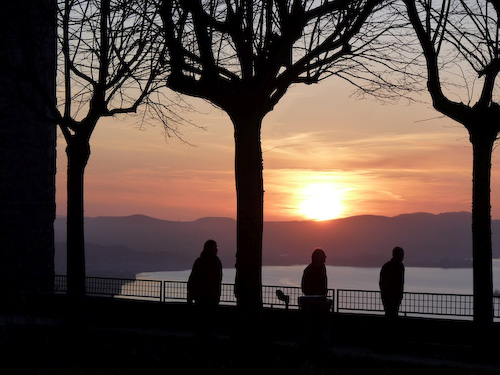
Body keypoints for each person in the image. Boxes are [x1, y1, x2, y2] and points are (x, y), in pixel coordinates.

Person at [187, 239, 222, 339]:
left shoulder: (202, 262)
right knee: (206, 320)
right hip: (206, 297)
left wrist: (190, 295)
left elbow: (193, 279)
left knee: (204, 320)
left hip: (205, 297)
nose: (216, 250)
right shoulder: (215, 262)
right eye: (215, 248)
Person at [379, 246, 405, 318]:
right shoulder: (397, 266)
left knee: (390, 314)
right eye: (401, 255)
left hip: (392, 297)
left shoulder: (389, 266)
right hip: (390, 297)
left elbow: (381, 283)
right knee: (391, 314)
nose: (402, 257)